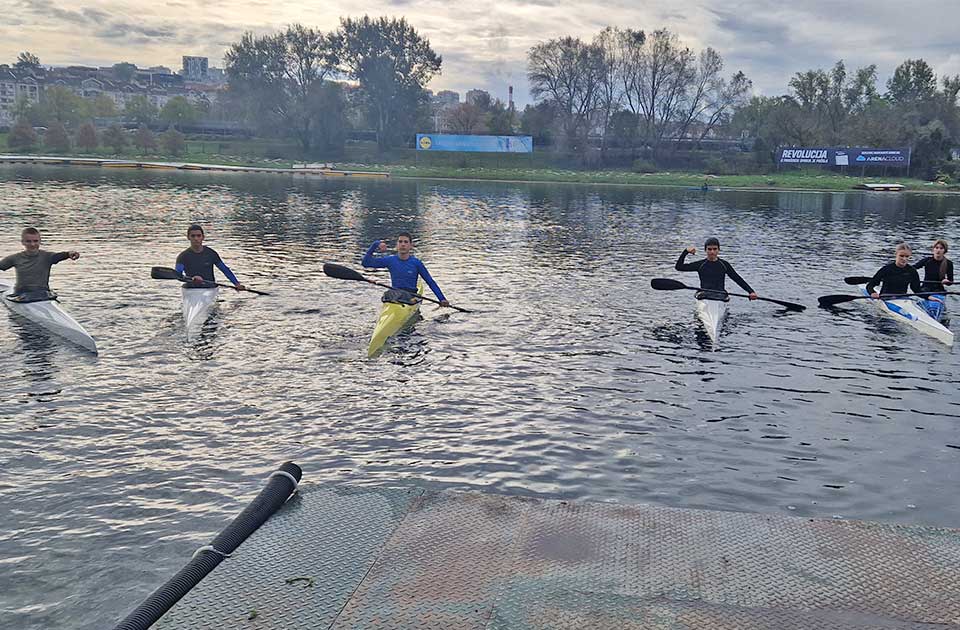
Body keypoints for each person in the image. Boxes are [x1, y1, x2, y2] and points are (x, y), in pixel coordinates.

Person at [362, 232, 449, 307]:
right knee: (388, 294)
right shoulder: (390, 260)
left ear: (410, 246)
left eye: (406, 242)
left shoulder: (416, 263)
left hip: (411, 297)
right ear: (397, 245)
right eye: (400, 242)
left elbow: (430, 282)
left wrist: (442, 299)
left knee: (402, 296)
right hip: (395, 295)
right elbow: (365, 263)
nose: (403, 244)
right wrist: (375, 244)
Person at [0, 227, 80, 301]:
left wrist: (70, 254)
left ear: (40, 241)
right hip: (21, 294)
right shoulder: (14, 258)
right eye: (28, 241)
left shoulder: (47, 256)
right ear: (23, 242)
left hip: (43, 294)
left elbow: (59, 256)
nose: (32, 244)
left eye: (35, 241)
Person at [675, 237, 757, 300]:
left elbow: (737, 278)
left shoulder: (724, 265)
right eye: (709, 249)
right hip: (704, 294)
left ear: (718, 250)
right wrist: (685, 251)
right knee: (703, 295)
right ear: (705, 250)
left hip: (720, 295)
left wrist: (751, 291)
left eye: (715, 249)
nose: (712, 252)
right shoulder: (700, 264)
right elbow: (679, 267)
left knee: (720, 296)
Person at [175, 224, 245, 291]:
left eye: (198, 236)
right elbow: (178, 275)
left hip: (209, 287)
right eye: (193, 236)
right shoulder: (183, 256)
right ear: (188, 237)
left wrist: (237, 284)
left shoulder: (211, 254)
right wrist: (192, 279)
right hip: (191, 288)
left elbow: (225, 270)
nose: (196, 238)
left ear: (203, 237)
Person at [912, 239, 953, 319]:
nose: (938, 250)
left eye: (941, 248)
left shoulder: (948, 263)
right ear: (933, 249)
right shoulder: (927, 261)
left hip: (939, 291)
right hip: (925, 290)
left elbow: (950, 281)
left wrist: (947, 282)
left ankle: (934, 317)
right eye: (936, 247)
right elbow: (912, 269)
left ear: (944, 251)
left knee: (934, 311)